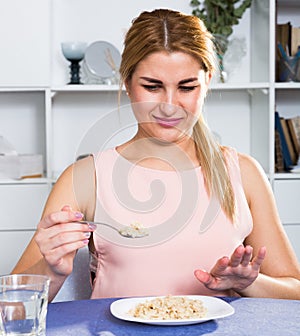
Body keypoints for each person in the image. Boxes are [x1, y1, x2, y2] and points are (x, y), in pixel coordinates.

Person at [12, 9, 299, 302]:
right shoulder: (86, 177)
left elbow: (294, 291)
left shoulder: (243, 172)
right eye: (152, 86)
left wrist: (249, 283)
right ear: (127, 81)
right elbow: (10, 311)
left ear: (208, 81)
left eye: (187, 87)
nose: (169, 106)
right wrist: (52, 271)